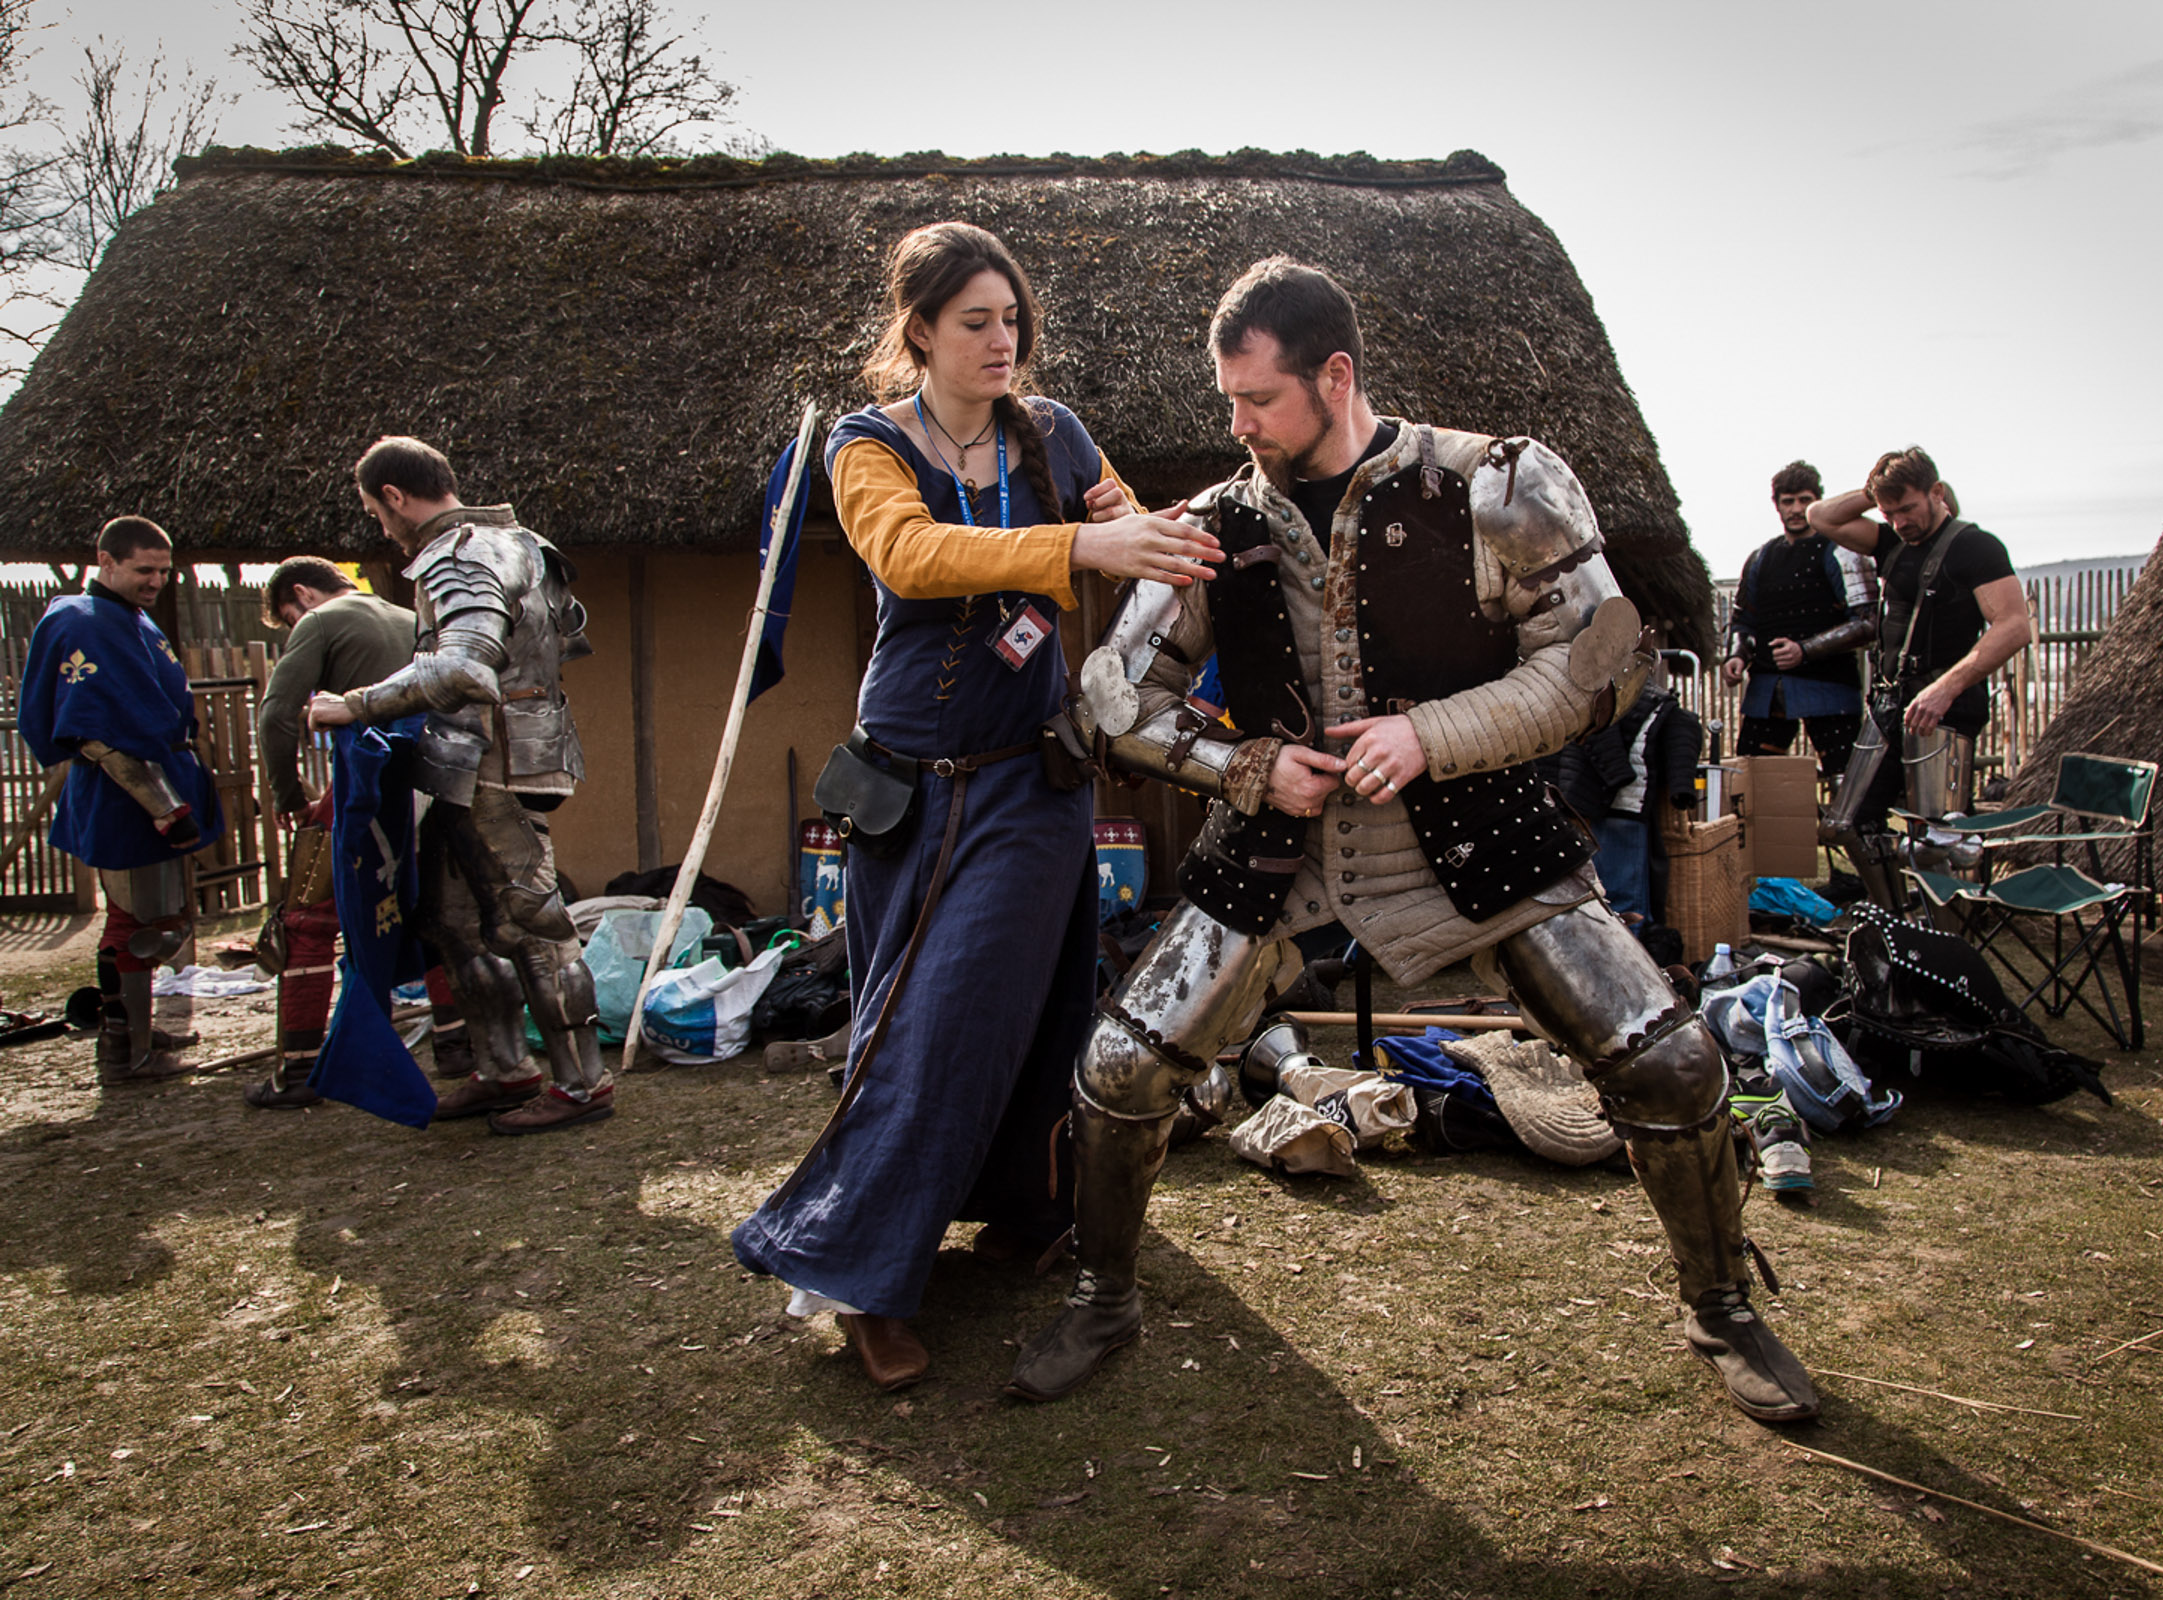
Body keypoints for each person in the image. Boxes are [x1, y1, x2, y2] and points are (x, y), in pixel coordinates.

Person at [1013, 257, 1820, 1424]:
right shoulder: (1208, 525)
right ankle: (1102, 1294)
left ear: (1333, 376)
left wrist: (1432, 734)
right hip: (1279, 851)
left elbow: (1598, 664)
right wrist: (1243, 763)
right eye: (1226, 399)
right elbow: (1116, 697)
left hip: (1482, 836)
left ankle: (1721, 1305)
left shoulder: (1498, 485)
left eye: (1256, 400)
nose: (1233, 425)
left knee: (1672, 1064)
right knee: (1120, 1072)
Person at [727, 222, 1220, 1393]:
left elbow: (1136, 533)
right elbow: (908, 557)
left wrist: (1204, 542)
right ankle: (853, 1274)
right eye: (975, 322)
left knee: (1038, 1007)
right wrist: (1081, 544)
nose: (1002, 342)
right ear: (917, 331)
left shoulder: (1052, 436)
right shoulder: (865, 446)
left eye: (1012, 320)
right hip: (909, 785)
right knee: (922, 1017)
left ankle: (1026, 1205)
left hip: (1032, 776)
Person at [305, 436, 610, 1135]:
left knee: (533, 928)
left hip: (494, 764)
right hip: (462, 762)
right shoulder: (523, 544)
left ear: (393, 496)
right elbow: (557, 643)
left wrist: (353, 704)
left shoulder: (461, 553)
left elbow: (464, 670)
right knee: (453, 923)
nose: (379, 528)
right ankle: (506, 1067)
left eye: (374, 512)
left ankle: (583, 1084)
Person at [15, 516, 224, 1086]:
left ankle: (134, 1028)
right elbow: (95, 733)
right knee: (138, 924)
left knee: (154, 920)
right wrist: (163, 807)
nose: (156, 580)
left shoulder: (125, 616)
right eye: (143, 570)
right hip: (127, 795)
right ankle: (126, 1052)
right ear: (106, 562)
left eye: (163, 571)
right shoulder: (87, 621)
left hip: (156, 783)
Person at [245, 558, 450, 1109]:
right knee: (426, 907)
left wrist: (291, 800)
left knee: (308, 921)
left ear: (302, 594)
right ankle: (457, 1043)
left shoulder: (320, 619)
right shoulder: (409, 617)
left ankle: (302, 1067)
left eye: (289, 618)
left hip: (367, 778)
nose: (294, 628)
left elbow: (276, 716)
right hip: (432, 777)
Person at [1807, 447, 2032, 907]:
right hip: (1891, 706)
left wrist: (1945, 687)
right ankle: (1899, 923)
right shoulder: (1891, 542)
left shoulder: (1975, 546)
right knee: (1848, 825)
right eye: (1889, 513)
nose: (1899, 522)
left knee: (1936, 843)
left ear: (1937, 493)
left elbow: (2014, 625)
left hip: (1944, 710)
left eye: (1907, 508)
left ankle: (1947, 942)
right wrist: (1875, 494)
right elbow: (1820, 516)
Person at [1722, 460, 1875, 780]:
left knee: (1846, 783)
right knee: (1749, 783)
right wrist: (1737, 655)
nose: (1795, 508)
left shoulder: (1844, 551)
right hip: (1766, 689)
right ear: (1776, 504)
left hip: (1829, 687)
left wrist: (1805, 650)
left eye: (1805, 500)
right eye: (1787, 501)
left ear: (1818, 501)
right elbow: (1744, 621)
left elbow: (1867, 622)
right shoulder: (1761, 557)